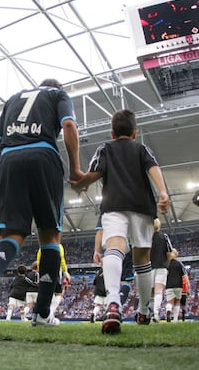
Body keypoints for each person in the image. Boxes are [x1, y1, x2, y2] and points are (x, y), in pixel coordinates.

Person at [0, 78, 84, 332]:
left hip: (9, 160)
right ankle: (43, 313)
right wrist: (75, 169)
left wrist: (11, 169)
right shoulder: (58, 95)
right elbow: (68, 124)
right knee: (50, 237)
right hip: (43, 156)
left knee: (12, 234)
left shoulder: (13, 99)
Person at [71, 108, 170, 334]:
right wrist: (163, 192)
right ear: (135, 133)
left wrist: (80, 184)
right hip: (142, 206)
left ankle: (113, 303)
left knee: (114, 248)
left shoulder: (105, 148)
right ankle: (144, 310)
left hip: (114, 204)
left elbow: (93, 173)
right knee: (142, 259)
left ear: (112, 133)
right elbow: (153, 167)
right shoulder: (141, 148)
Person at [36, 239, 71, 318]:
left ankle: (39, 314)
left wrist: (39, 270)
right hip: (55, 270)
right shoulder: (58, 246)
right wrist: (65, 271)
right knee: (58, 293)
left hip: (44, 270)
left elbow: (38, 260)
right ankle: (50, 312)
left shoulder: (42, 247)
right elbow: (61, 258)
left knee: (44, 292)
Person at [150, 218, 173, 322]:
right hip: (161, 267)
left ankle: (148, 314)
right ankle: (156, 313)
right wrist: (167, 265)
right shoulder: (164, 236)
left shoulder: (147, 237)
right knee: (158, 291)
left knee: (150, 292)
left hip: (149, 267)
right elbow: (169, 253)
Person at [165, 248, 188, 323]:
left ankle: (168, 310)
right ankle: (175, 319)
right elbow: (184, 275)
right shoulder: (179, 263)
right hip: (178, 285)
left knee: (170, 302)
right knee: (177, 302)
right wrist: (188, 284)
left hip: (169, 285)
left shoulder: (166, 264)